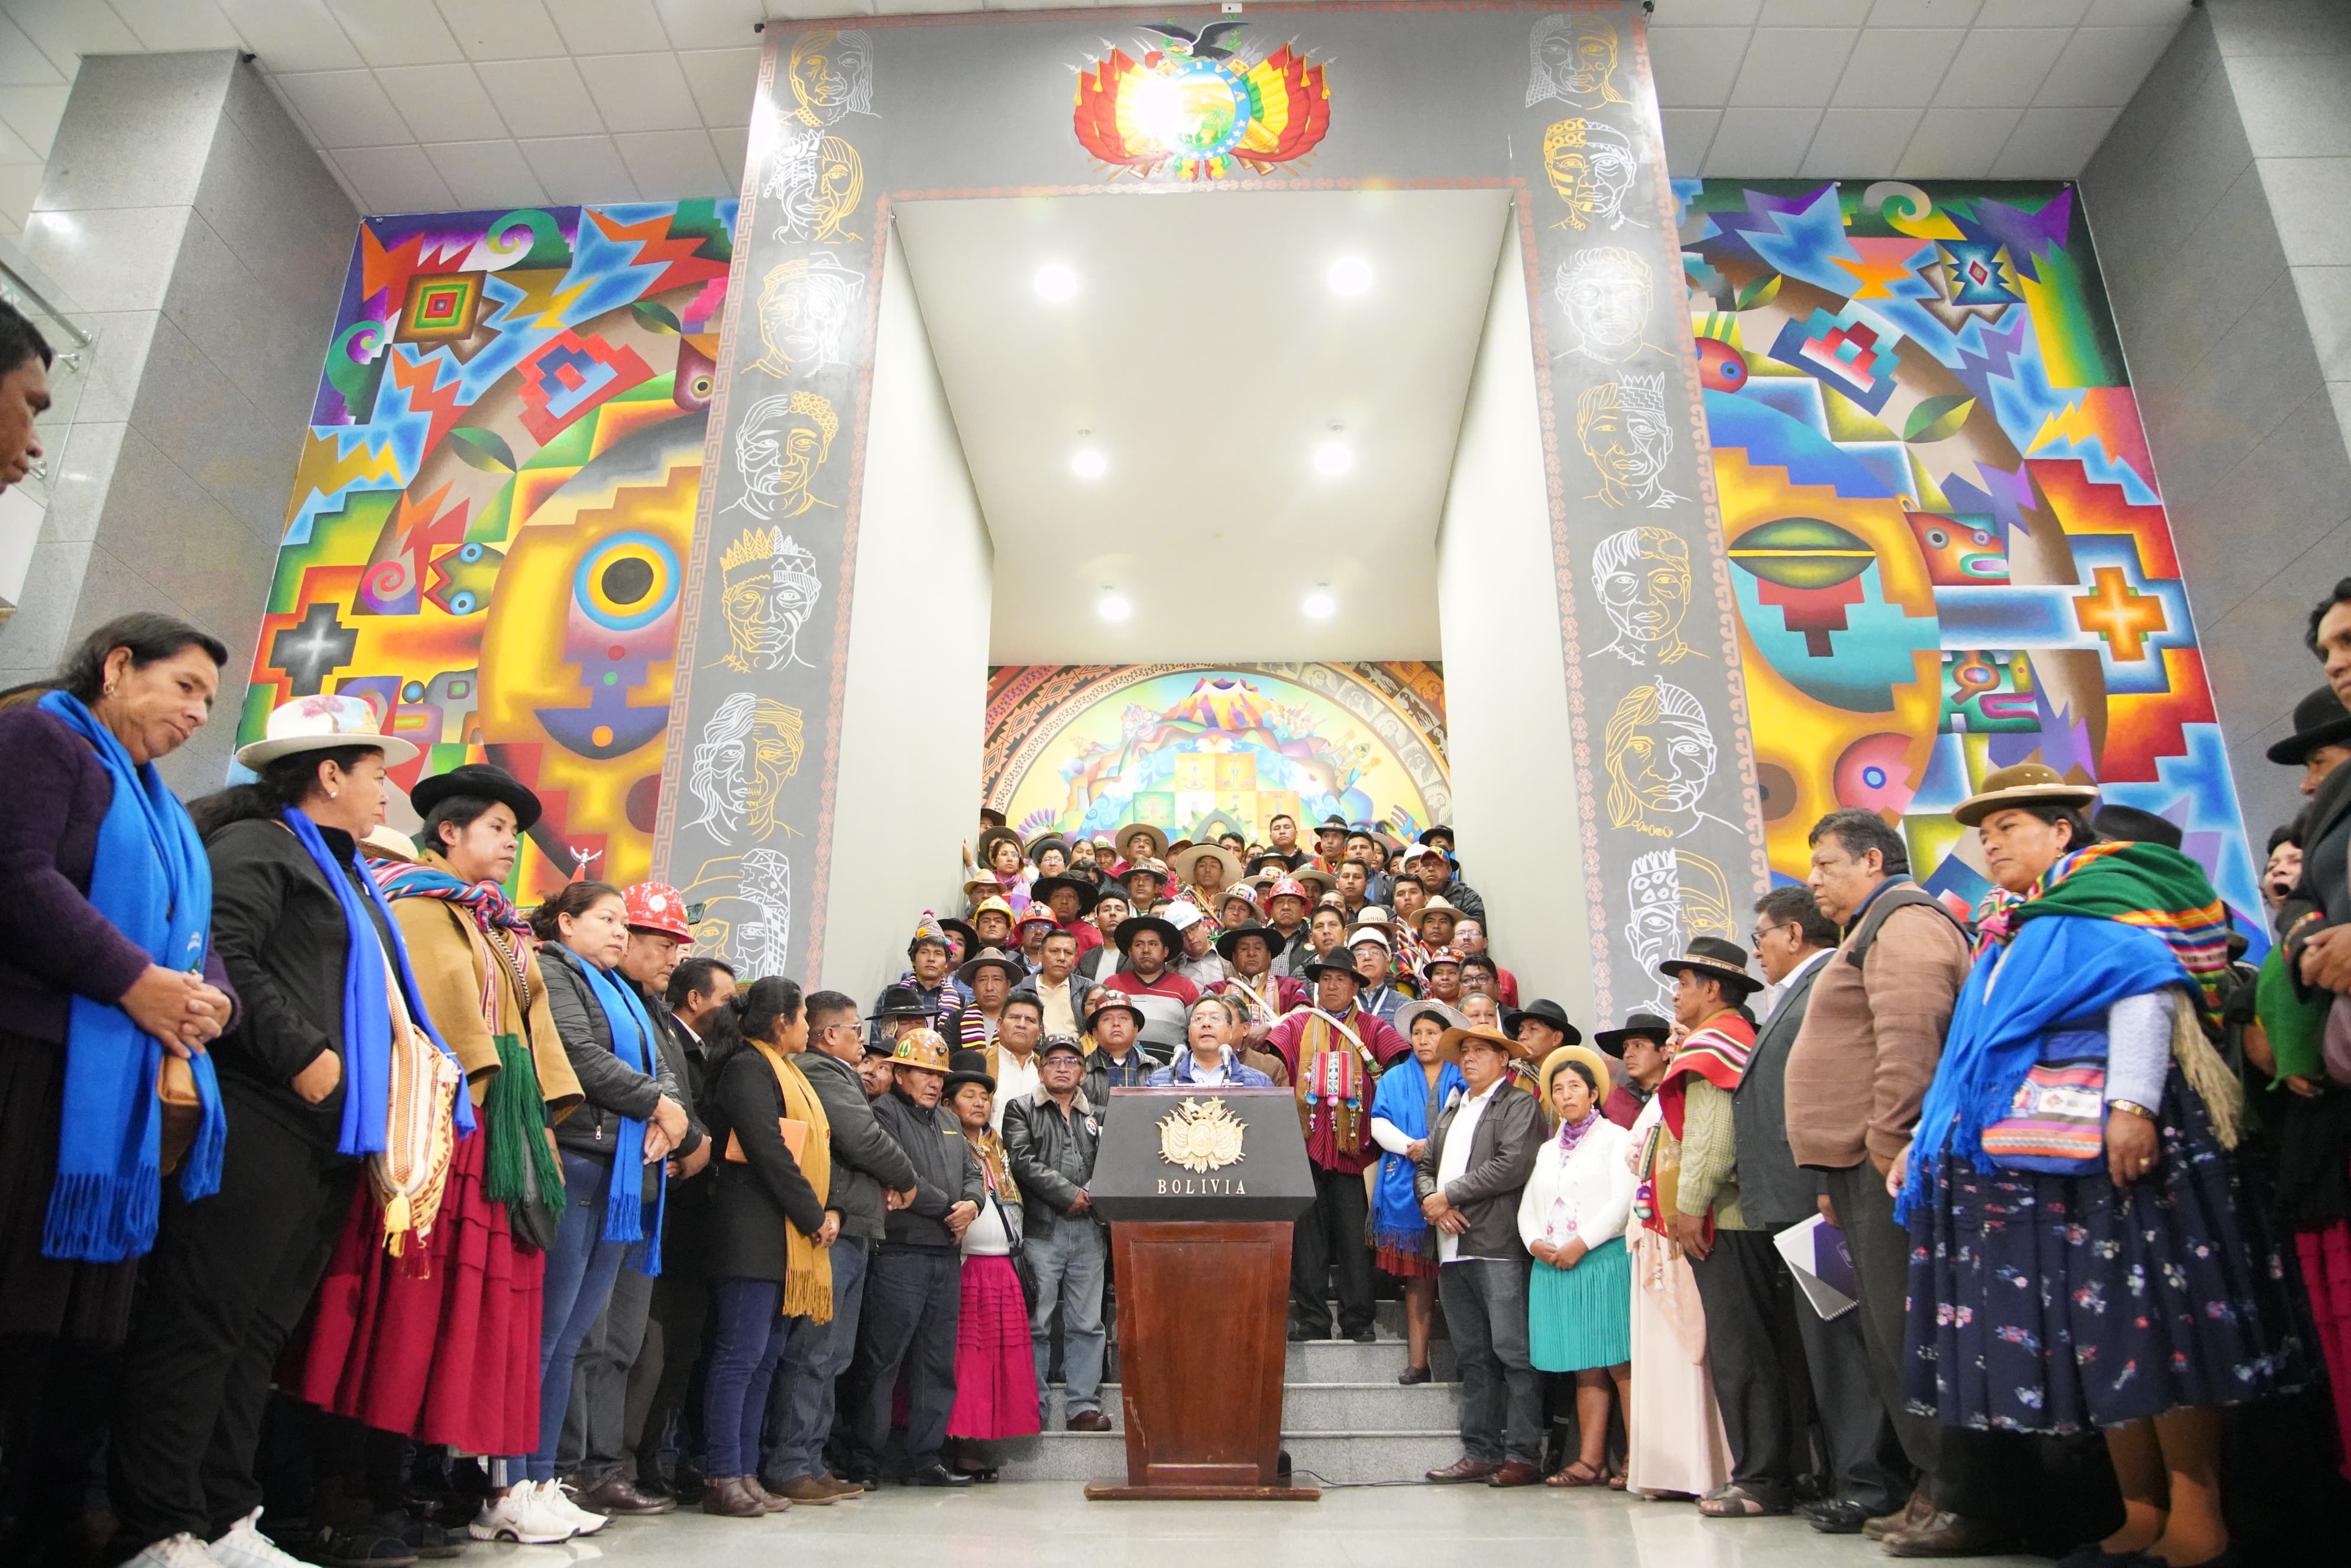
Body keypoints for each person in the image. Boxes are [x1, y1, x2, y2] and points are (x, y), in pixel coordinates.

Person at [1897, 765, 2311, 1568]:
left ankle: (2198, 1520)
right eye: (1984, 832)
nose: (1991, 841)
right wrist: (1933, 1136)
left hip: (2128, 1150)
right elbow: (1976, 1052)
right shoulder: (2013, 924)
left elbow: (2142, 991)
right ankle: (2139, 1513)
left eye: (2009, 825)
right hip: (2049, 1158)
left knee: (2158, 1323)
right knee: (2100, 1333)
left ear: (2062, 832)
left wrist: (2131, 1106)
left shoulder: (2103, 896)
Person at [110, 696, 470, 1567]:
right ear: (330, 774)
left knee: (258, 1333)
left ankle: (226, 1514)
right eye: (378, 774)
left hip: (324, 1134)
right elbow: (220, 949)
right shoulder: (257, 846)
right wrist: (303, 1051)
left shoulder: (343, 873)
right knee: (203, 1323)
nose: (390, 791)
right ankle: (156, 1525)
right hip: (259, 1111)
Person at [289, 763, 587, 1551]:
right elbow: (420, 1030)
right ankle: (354, 1493)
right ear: (447, 831)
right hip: (438, 1130)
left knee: (462, 1315)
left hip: (497, 1136)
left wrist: (542, 1126)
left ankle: (416, 1486)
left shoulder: (501, 926)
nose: (509, 847)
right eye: (496, 829)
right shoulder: (414, 905)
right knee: (404, 1307)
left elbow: (533, 1034)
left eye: (517, 836)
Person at [0, 616, 235, 1564]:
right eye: (184, 687)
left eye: (209, 704)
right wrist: (134, 982)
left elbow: (195, 934)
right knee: (18, 1308)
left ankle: (48, 1517)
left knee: (83, 1332)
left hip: (122, 1092)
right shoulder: (41, 737)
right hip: (31, 1062)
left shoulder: (164, 812)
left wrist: (212, 999)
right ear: (117, 666)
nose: (195, 713)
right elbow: (17, 878)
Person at [1787, 805, 2010, 1556]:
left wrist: (1887, 1145)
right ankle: (1930, 1488)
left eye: (1826, 864)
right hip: (1856, 1169)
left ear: (1874, 863)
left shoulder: (1904, 923)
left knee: (1914, 1332)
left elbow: (1911, 1040)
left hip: (1890, 1167)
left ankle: (1964, 1496)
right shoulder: (1870, 929)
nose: (1813, 880)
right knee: (1890, 1339)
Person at [508, 880, 687, 1537]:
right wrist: (658, 1106)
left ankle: (544, 1478)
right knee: (547, 1335)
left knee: (571, 1340)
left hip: (621, 1171)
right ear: (565, 923)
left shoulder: (626, 994)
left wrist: (670, 1113)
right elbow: (578, 1056)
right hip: (581, 1157)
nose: (619, 931)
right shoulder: (553, 970)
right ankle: (512, 1478)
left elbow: (661, 1072)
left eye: (622, 921)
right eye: (607, 920)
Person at [1743, 886, 1908, 1535]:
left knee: (1846, 1347)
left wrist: (1818, 1180)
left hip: (1822, 1198)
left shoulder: (1825, 987)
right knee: (1828, 1345)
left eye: (1761, 935)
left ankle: (1871, 1484)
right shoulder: (1795, 995)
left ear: (1790, 934)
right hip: (1798, 1202)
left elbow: (1832, 1090)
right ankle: (1849, 1476)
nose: (1757, 949)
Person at [563, 881, 710, 1519]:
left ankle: (605, 1466)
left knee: (621, 1343)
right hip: (590, 1170)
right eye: (659, 941)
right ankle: (563, 1469)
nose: (669, 957)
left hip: (643, 1187)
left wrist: (683, 1128)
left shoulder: (645, 1011)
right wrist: (661, 1110)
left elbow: (674, 1089)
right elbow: (586, 1061)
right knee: (580, 1338)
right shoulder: (573, 984)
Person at [1653, 937, 1801, 1520]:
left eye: (1684, 983)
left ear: (1712, 988)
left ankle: (1760, 1479)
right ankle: (1778, 1471)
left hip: (1726, 1220)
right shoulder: (1744, 1037)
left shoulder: (1713, 1044)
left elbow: (1711, 1146)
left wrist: (1689, 1208)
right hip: (1752, 1217)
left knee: (1742, 1351)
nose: (1677, 994)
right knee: (1763, 1348)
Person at [765, 989, 914, 1504]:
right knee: (813, 1352)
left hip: (852, 1228)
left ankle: (810, 1458)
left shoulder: (833, 1073)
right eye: (855, 1029)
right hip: (833, 1233)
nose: (862, 1039)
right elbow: (863, 1138)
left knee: (833, 1355)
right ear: (830, 1035)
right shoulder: (824, 1072)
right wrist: (906, 1178)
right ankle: (789, 1462)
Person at [697, 978, 831, 1520]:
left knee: (766, 1357)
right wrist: (813, 1215)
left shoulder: (787, 1070)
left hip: (780, 1235)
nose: (807, 1029)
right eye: (802, 1018)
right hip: (748, 1228)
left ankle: (746, 1472)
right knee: (739, 1356)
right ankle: (722, 1473)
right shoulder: (747, 1068)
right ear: (781, 1022)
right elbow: (768, 1149)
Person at [839, 1028, 983, 1489]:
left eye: (939, 1074)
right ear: (899, 1073)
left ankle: (926, 1459)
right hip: (898, 1254)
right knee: (882, 1362)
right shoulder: (882, 1113)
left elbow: (972, 1173)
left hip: (944, 1255)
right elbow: (900, 1173)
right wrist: (948, 1208)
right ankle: (864, 1460)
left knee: (936, 1363)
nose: (934, 1081)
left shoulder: (948, 1120)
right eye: (923, 1071)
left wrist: (973, 1204)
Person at [1417, 1023, 1544, 1486]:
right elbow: (1426, 1165)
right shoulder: (1452, 1109)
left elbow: (1511, 1165)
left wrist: (1449, 1195)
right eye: (1464, 1051)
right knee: (1473, 1357)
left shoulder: (1519, 1104)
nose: (1468, 1058)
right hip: (1452, 1247)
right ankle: (1481, 1452)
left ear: (1504, 1060)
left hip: (1497, 1245)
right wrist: (1435, 1205)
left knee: (1514, 1353)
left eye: (1480, 1051)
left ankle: (1525, 1454)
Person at [629, 953, 735, 1502]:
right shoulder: (663, 1037)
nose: (732, 1011)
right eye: (725, 1000)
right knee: (650, 1348)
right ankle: (632, 1462)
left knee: (682, 1354)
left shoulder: (708, 1053)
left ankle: (657, 1460)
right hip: (663, 1215)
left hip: (695, 1222)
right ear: (695, 1000)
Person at [1264, 954, 1410, 1342]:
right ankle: (1312, 1319)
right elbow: (1270, 1065)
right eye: (1325, 979)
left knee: (1353, 1240)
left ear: (1356, 987)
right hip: (1304, 1149)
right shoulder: (1295, 1025)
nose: (1331, 986)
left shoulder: (1375, 1030)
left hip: (1355, 1155)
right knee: (1306, 1240)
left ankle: (1358, 1320)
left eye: (1341, 980)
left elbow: (1398, 1073)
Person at [1520, 1042, 1635, 1489]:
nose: (1566, 1095)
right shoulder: (1548, 1150)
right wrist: (1536, 1243)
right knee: (1585, 1366)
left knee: (1619, 1363)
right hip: (1558, 1263)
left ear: (1593, 1094)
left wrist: (1582, 1243)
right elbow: (1529, 1205)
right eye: (1558, 1089)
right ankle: (1591, 1461)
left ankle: (1636, 1459)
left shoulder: (1617, 1138)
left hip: (1602, 1259)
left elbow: (1622, 1202)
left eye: (1575, 1087)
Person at [1002, 1035, 1110, 1432]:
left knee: (1088, 1323)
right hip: (1041, 1231)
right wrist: (1070, 1194)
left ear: (1083, 1071)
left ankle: (1083, 1406)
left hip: (1090, 1231)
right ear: (1040, 1068)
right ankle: (1033, 1406)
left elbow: (1115, 1161)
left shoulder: (1100, 1112)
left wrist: (1095, 1194)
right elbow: (1022, 1160)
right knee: (1036, 1322)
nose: (1062, 1067)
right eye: (1053, 1061)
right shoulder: (1021, 1109)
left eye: (1070, 1061)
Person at [941, 1049, 1040, 1476]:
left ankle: (983, 1439)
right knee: (966, 1361)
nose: (980, 1103)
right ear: (948, 1104)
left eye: (985, 1096)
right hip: (965, 1267)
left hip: (1003, 1266)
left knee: (999, 1360)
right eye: (969, 1095)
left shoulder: (995, 1144)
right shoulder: (944, 1142)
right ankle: (960, 1443)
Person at [1369, 1000, 1468, 1385]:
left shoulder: (1462, 1075)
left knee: (1462, 1279)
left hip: (1456, 1183)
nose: (1424, 1040)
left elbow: (1467, 1120)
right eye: (1418, 1033)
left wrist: (1435, 1146)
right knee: (1419, 1279)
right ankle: (1418, 1361)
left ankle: (1467, 1361)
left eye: (1432, 1033)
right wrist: (1413, 1145)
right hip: (1405, 1181)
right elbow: (1379, 1122)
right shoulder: (1393, 1078)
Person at [1099, 912, 1200, 1058]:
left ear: (1165, 951)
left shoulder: (1186, 987)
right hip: (1121, 1069)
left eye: (1153, 944)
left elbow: (1197, 1033)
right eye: (1139, 944)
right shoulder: (1112, 985)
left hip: (1172, 1071)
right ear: (1130, 952)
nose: (1146, 950)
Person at [1147, 995, 1275, 1087]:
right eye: (1198, 1019)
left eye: (1215, 1018)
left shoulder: (1260, 1084)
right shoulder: (1159, 1082)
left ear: (1230, 1031)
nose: (1206, 1024)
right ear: (1189, 1031)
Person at [980, 989, 1044, 1129]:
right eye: (1014, 1017)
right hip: (988, 1149)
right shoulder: (979, 1062)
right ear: (999, 1025)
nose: (1021, 1024)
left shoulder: (1047, 1070)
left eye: (1030, 1020)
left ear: (1039, 1032)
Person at [1597, 1012, 1671, 1128]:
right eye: (1625, 1048)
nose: (1628, 1054)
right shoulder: (1611, 1103)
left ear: (1665, 1052)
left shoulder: (1680, 1097)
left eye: (1639, 1046)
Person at [1080, 993, 1154, 1108]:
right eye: (1107, 1019)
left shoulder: (1155, 1068)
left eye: (1123, 1018)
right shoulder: (1080, 1070)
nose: (1116, 1023)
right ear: (1095, 1033)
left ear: (1136, 1030)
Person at [943, 945, 1022, 1049]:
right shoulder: (957, 1020)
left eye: (997, 980)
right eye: (983, 980)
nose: (989, 987)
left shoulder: (1023, 1019)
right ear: (973, 986)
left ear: (1008, 985)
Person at [900, 915, 970, 1016]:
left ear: (947, 962)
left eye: (938, 954)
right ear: (914, 959)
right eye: (924, 952)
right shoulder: (891, 995)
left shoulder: (961, 1002)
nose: (931, 959)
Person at [1033, 873, 1102, 959]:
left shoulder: (1092, 937)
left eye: (1071, 897)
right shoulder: (1036, 930)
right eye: (1057, 896)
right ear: (1048, 903)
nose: (1064, 901)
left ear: (1080, 905)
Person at [1453, 918, 1518, 1008]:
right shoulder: (1447, 977)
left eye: (1474, 933)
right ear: (1452, 943)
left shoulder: (1505, 977)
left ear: (1485, 942)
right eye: (1461, 933)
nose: (1466, 937)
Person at [1167, 901, 1228, 989]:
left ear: (1204, 924)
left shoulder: (1227, 958)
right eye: (1183, 934)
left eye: (1193, 928)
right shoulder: (1172, 968)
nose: (1190, 937)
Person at [1074, 892, 1131, 983]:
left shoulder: (1137, 955)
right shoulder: (1087, 958)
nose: (1113, 913)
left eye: (1119, 910)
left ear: (1129, 920)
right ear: (1096, 922)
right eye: (1106, 910)